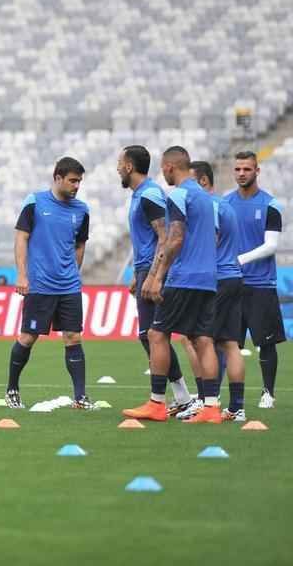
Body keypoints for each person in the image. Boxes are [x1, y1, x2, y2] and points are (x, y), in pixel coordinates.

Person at [124, 147, 222, 423]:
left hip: (184, 277)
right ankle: (212, 408)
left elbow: (174, 238)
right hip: (207, 278)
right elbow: (214, 236)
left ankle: (157, 403)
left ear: (169, 167)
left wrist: (156, 275)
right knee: (202, 339)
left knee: (156, 334)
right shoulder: (205, 198)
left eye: (163, 169)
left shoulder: (179, 195)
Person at [4, 157, 95, 411]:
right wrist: (22, 275)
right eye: (73, 180)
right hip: (40, 285)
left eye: (79, 181)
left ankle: (80, 397)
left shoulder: (82, 210)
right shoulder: (35, 202)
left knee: (73, 336)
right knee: (28, 337)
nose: (77, 185)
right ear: (57, 178)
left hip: (69, 287)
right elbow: (21, 238)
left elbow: (80, 245)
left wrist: (73, 273)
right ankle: (12, 389)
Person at [117, 145, 194, 414]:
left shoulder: (149, 194)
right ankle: (181, 396)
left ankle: (176, 398)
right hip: (145, 270)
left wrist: (152, 275)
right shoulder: (142, 194)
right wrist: (139, 275)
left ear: (128, 167)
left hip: (156, 272)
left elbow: (163, 236)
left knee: (153, 335)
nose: (117, 168)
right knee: (151, 335)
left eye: (120, 163)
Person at [226, 150, 285, 408]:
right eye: (238, 169)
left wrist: (241, 259)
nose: (242, 173)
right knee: (228, 342)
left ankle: (268, 393)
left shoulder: (270, 205)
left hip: (261, 284)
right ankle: (226, 395)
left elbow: (271, 245)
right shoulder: (225, 203)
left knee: (266, 343)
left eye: (247, 169)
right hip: (232, 284)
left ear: (257, 171)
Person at [192, 161, 248, 421]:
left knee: (204, 340)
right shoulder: (226, 205)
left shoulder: (211, 206)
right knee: (230, 343)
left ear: (203, 182)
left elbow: (210, 240)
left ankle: (208, 403)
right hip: (234, 276)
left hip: (218, 279)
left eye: (191, 183)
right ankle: (237, 408)